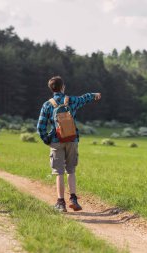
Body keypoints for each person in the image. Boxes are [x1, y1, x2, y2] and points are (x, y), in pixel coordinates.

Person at [37, 76, 101, 212]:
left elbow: (40, 127)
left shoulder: (47, 105)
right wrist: (94, 95)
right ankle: (73, 199)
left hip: (56, 141)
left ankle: (61, 203)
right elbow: (84, 98)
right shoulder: (71, 100)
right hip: (72, 139)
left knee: (58, 172)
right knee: (71, 171)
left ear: (51, 88)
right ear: (63, 87)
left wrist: (47, 139)